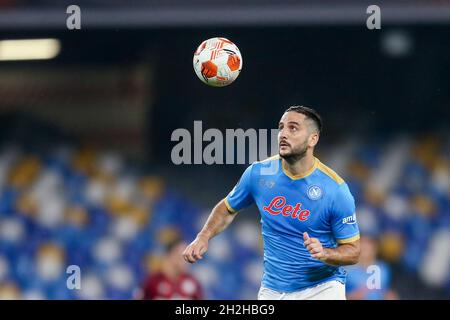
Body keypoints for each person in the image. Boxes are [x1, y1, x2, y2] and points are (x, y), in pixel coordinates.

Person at [183, 105, 361, 300]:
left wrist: (326, 253)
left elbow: (353, 251)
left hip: (321, 288)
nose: (283, 134)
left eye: (293, 128)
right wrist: (203, 236)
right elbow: (227, 208)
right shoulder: (258, 173)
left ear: (313, 139)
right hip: (272, 290)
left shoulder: (335, 189)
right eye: (281, 127)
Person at [345, 236, 398, 300]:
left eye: (368, 247)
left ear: (375, 249)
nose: (365, 251)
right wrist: (352, 297)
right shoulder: (347, 271)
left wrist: (389, 296)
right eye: (363, 248)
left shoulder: (384, 268)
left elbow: (388, 292)